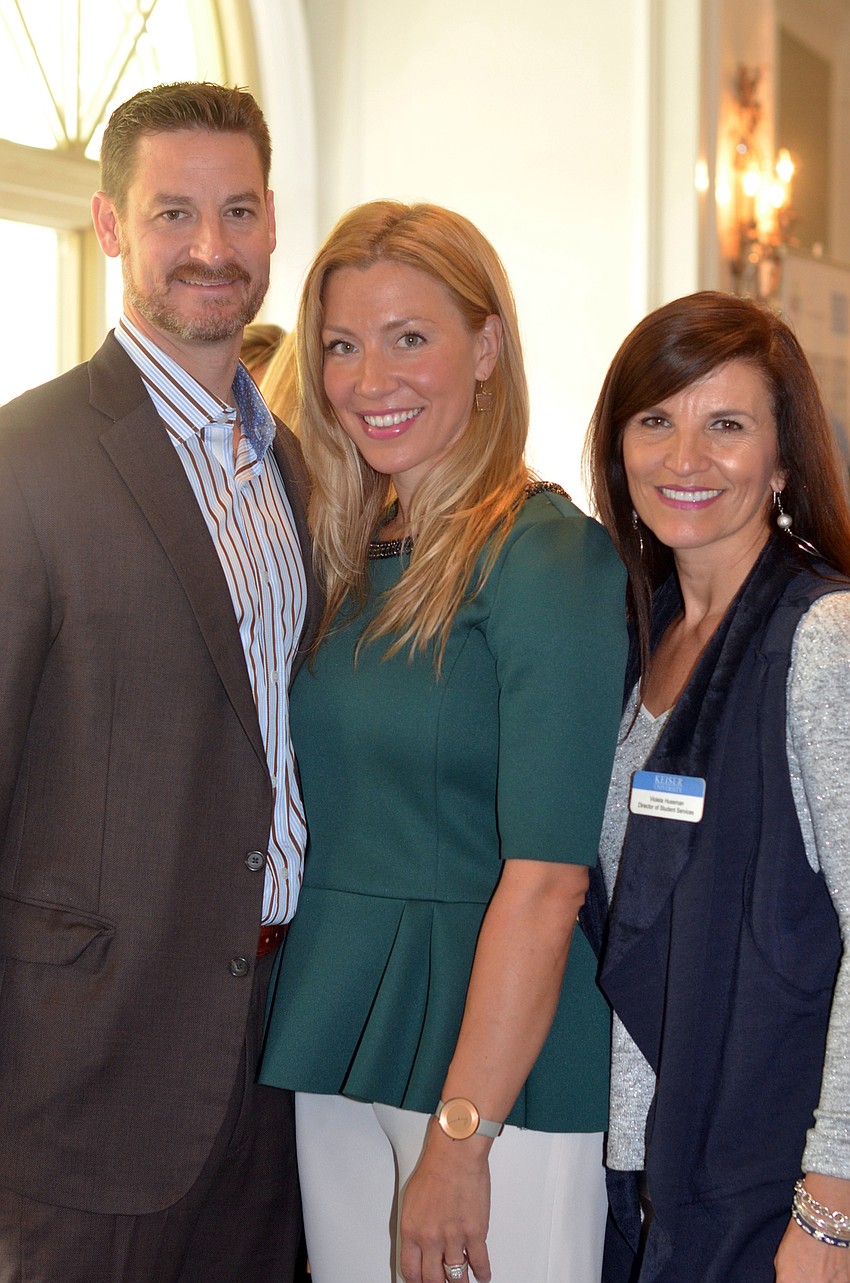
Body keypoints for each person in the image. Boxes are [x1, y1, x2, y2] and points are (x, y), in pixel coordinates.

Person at [259, 199, 628, 1283]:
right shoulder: (340, 552)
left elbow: (551, 879)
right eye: (340, 343)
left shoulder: (547, 558)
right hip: (340, 1016)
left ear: (486, 347)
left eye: (408, 337)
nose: (370, 378)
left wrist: (463, 1135)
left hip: (496, 1060)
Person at [0, 81, 320, 1282]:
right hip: (90, 1061)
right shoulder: (24, 461)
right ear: (111, 226)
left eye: (237, 211)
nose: (211, 247)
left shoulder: (288, 458)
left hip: (279, 1038)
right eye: (174, 212)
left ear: (273, 223)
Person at [583, 290, 850, 1283]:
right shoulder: (629, 633)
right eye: (654, 419)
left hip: (769, 1186)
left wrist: (829, 1212)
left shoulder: (822, 641)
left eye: (725, 425)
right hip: (640, 1168)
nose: (682, 458)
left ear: (783, 459)